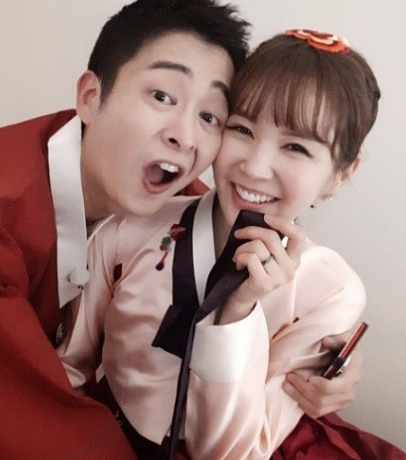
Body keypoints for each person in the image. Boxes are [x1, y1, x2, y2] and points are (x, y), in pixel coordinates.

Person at [58, 29, 388, 460]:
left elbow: (235, 454)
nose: (255, 167)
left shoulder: (331, 291)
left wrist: (237, 314)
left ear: (342, 174)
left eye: (295, 147)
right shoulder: (130, 226)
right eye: (241, 128)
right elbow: (69, 369)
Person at [0, 0, 250, 460]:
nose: (184, 136)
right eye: (161, 96)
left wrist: (323, 361)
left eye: (209, 116)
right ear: (90, 97)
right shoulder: (3, 209)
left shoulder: (184, 209)